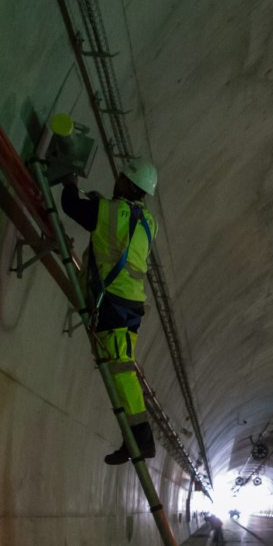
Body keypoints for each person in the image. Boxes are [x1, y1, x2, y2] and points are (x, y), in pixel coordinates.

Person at [60, 158, 159, 464]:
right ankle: (134, 438)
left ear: (128, 184)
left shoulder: (109, 213)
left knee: (121, 367)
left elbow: (72, 207)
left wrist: (70, 183)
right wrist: (104, 204)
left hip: (112, 303)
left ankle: (141, 440)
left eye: (121, 177)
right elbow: (120, 230)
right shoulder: (148, 221)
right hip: (130, 304)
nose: (116, 180)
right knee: (121, 364)